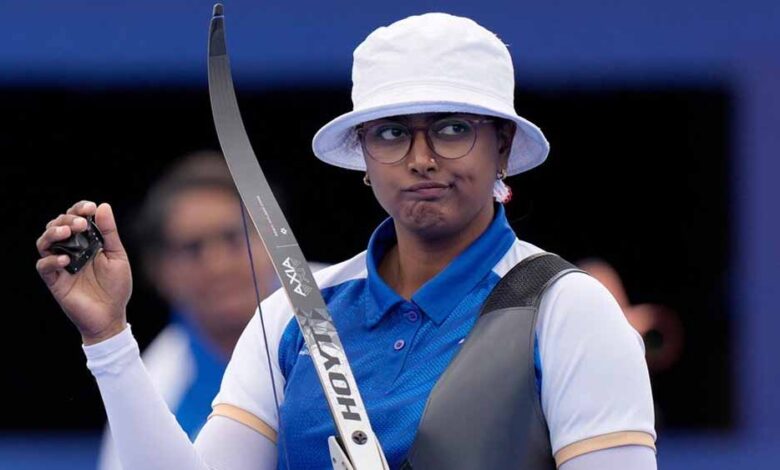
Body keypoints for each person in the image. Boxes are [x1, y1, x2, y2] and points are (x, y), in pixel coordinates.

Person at [36, 12, 656, 470]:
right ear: (362, 155)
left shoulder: (566, 310)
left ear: (502, 145)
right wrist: (108, 339)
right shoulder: (291, 315)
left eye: (452, 129)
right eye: (391, 133)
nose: (421, 158)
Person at [97, 152, 279, 469]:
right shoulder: (152, 389)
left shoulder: (345, 302)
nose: (218, 266)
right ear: (159, 272)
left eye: (232, 238)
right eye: (193, 249)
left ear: (271, 238)